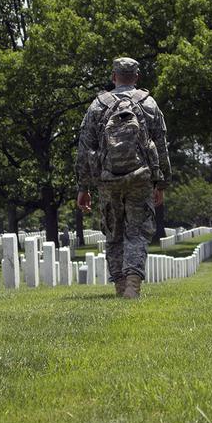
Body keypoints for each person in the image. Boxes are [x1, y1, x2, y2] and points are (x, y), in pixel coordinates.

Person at [75, 57, 171, 298]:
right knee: (137, 232)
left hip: (107, 179)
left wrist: (83, 187)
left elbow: (85, 148)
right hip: (140, 177)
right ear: (136, 77)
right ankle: (132, 283)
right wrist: (161, 182)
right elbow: (160, 145)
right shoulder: (149, 104)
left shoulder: (98, 105)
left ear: (113, 76)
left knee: (113, 231)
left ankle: (119, 285)